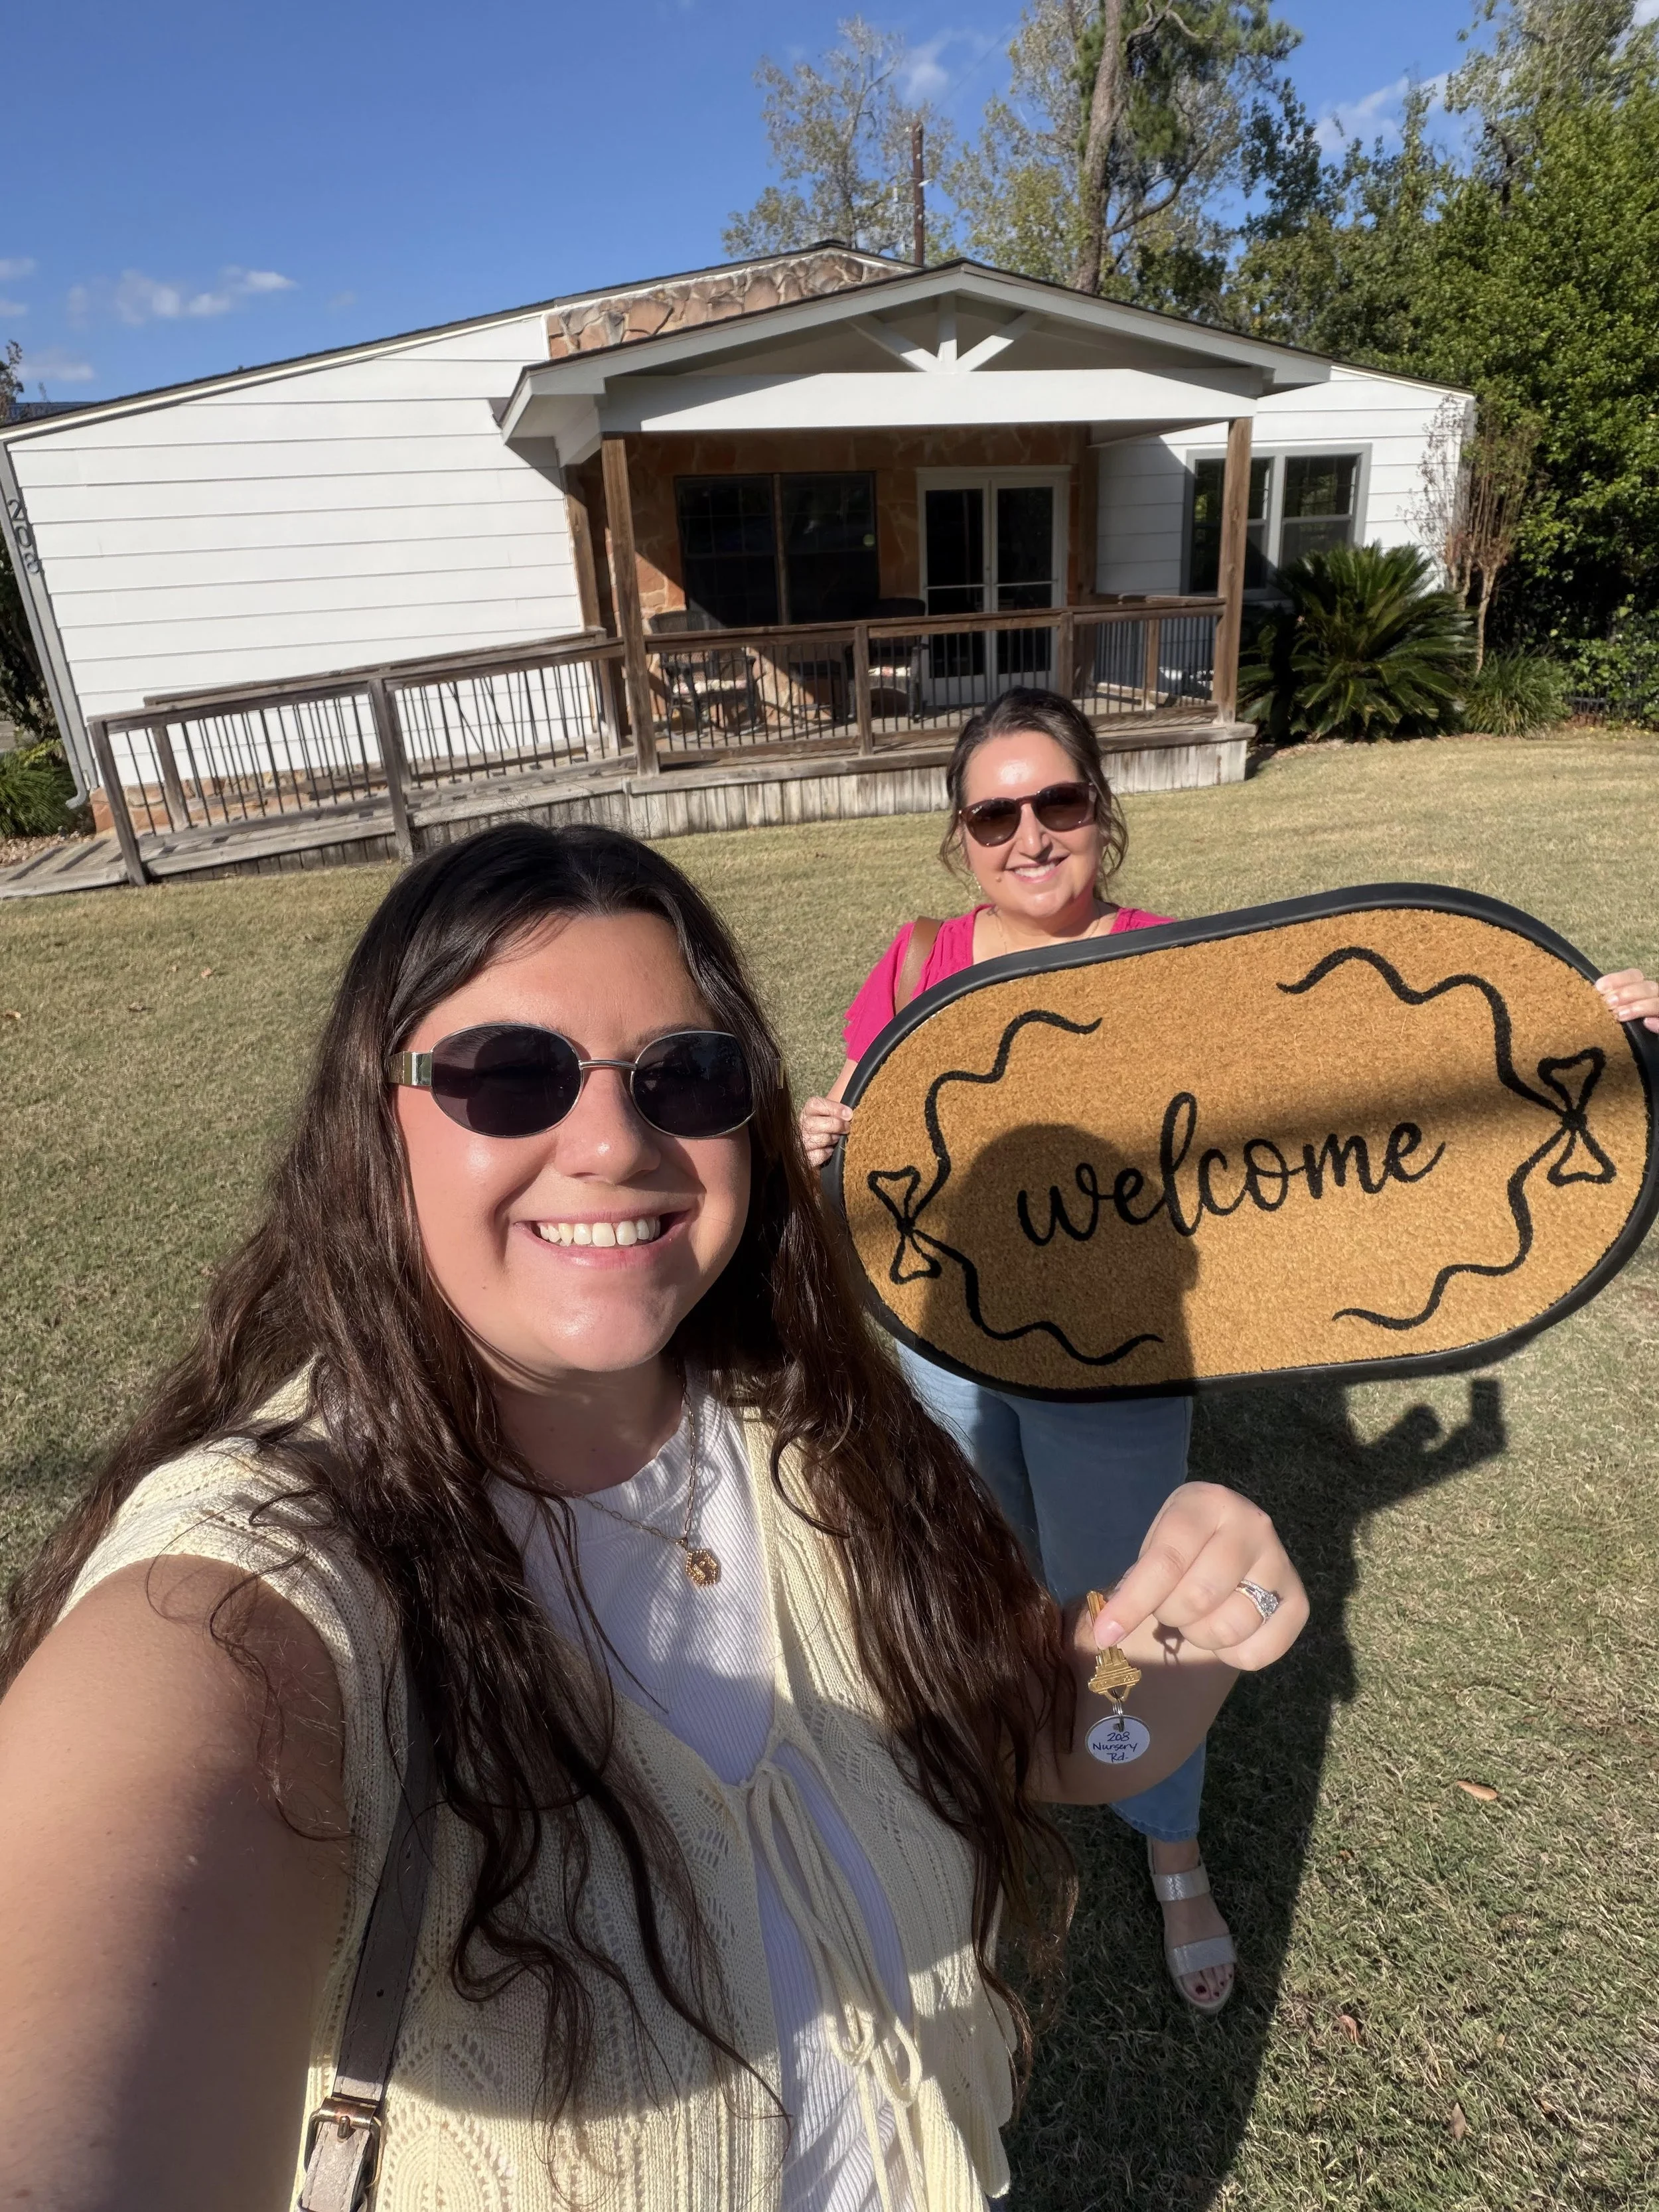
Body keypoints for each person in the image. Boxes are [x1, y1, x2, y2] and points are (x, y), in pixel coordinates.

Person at [0, 822, 1307, 2212]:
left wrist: (1163, 1649)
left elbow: (1059, 1734)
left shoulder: (830, 1443)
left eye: (685, 1076)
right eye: (509, 1077)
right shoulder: (259, 1579)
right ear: (371, 1126)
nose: (615, 1142)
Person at [799, 686, 1659, 2017]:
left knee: (1138, 1611)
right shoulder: (913, 967)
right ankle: (1016, 1780)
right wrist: (822, 1144)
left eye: (1057, 802)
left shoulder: (1166, 960)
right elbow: (876, 1139)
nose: (1029, 835)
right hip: (946, 1350)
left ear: (1102, 814)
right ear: (958, 837)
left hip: (1117, 1364)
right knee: (983, 1577)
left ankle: (1168, 1839)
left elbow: (1351, 1089)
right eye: (994, 812)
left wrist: (1579, 1028)